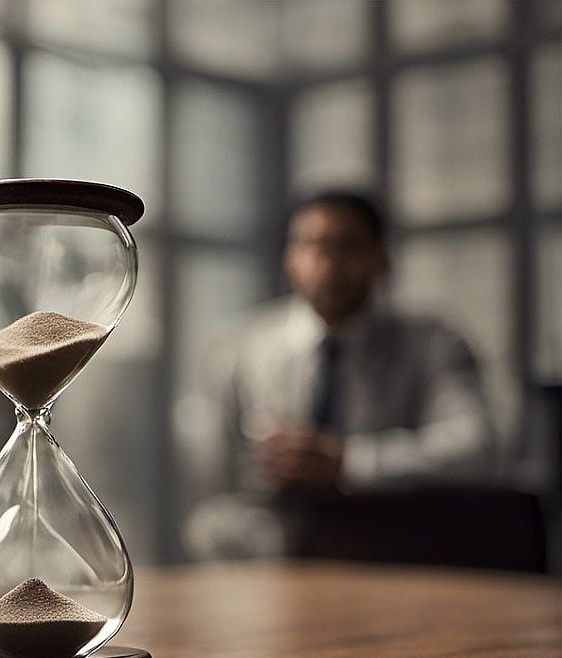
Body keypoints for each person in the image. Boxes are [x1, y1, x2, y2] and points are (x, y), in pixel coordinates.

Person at [186, 191, 497, 558]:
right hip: (271, 549)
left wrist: (348, 463)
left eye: (347, 246)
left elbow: (476, 448)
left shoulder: (433, 343)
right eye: (313, 245)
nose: (329, 262)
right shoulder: (241, 347)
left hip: (394, 543)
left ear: (381, 259)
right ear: (290, 259)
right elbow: (215, 481)